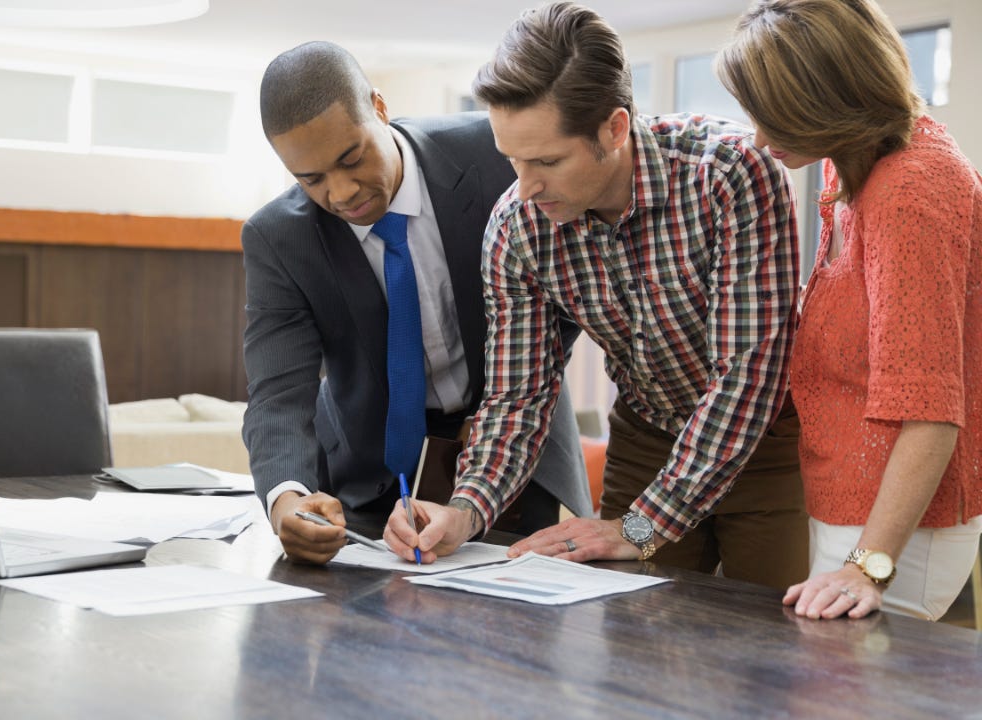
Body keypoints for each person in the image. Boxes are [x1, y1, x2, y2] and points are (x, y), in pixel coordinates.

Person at [385, 2, 809, 590]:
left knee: (770, 648)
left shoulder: (732, 173)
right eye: (512, 159)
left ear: (614, 127)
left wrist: (640, 526)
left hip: (765, 443)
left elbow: (748, 375)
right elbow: (519, 395)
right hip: (647, 436)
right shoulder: (518, 226)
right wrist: (465, 509)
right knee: (635, 639)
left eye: (547, 161)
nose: (525, 187)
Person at [242, 41, 590, 564]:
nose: (340, 193)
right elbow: (277, 392)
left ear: (379, 109)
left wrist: (515, 392)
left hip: (513, 449)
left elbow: (570, 288)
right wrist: (285, 499)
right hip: (368, 479)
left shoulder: (495, 157)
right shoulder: (278, 238)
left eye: (351, 158)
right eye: (310, 179)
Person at [715, 0, 982, 620]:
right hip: (852, 507)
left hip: (897, 533)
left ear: (827, 101)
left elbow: (932, 411)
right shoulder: (850, 167)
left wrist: (870, 566)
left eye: (773, 117)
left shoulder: (910, 189)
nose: (757, 137)